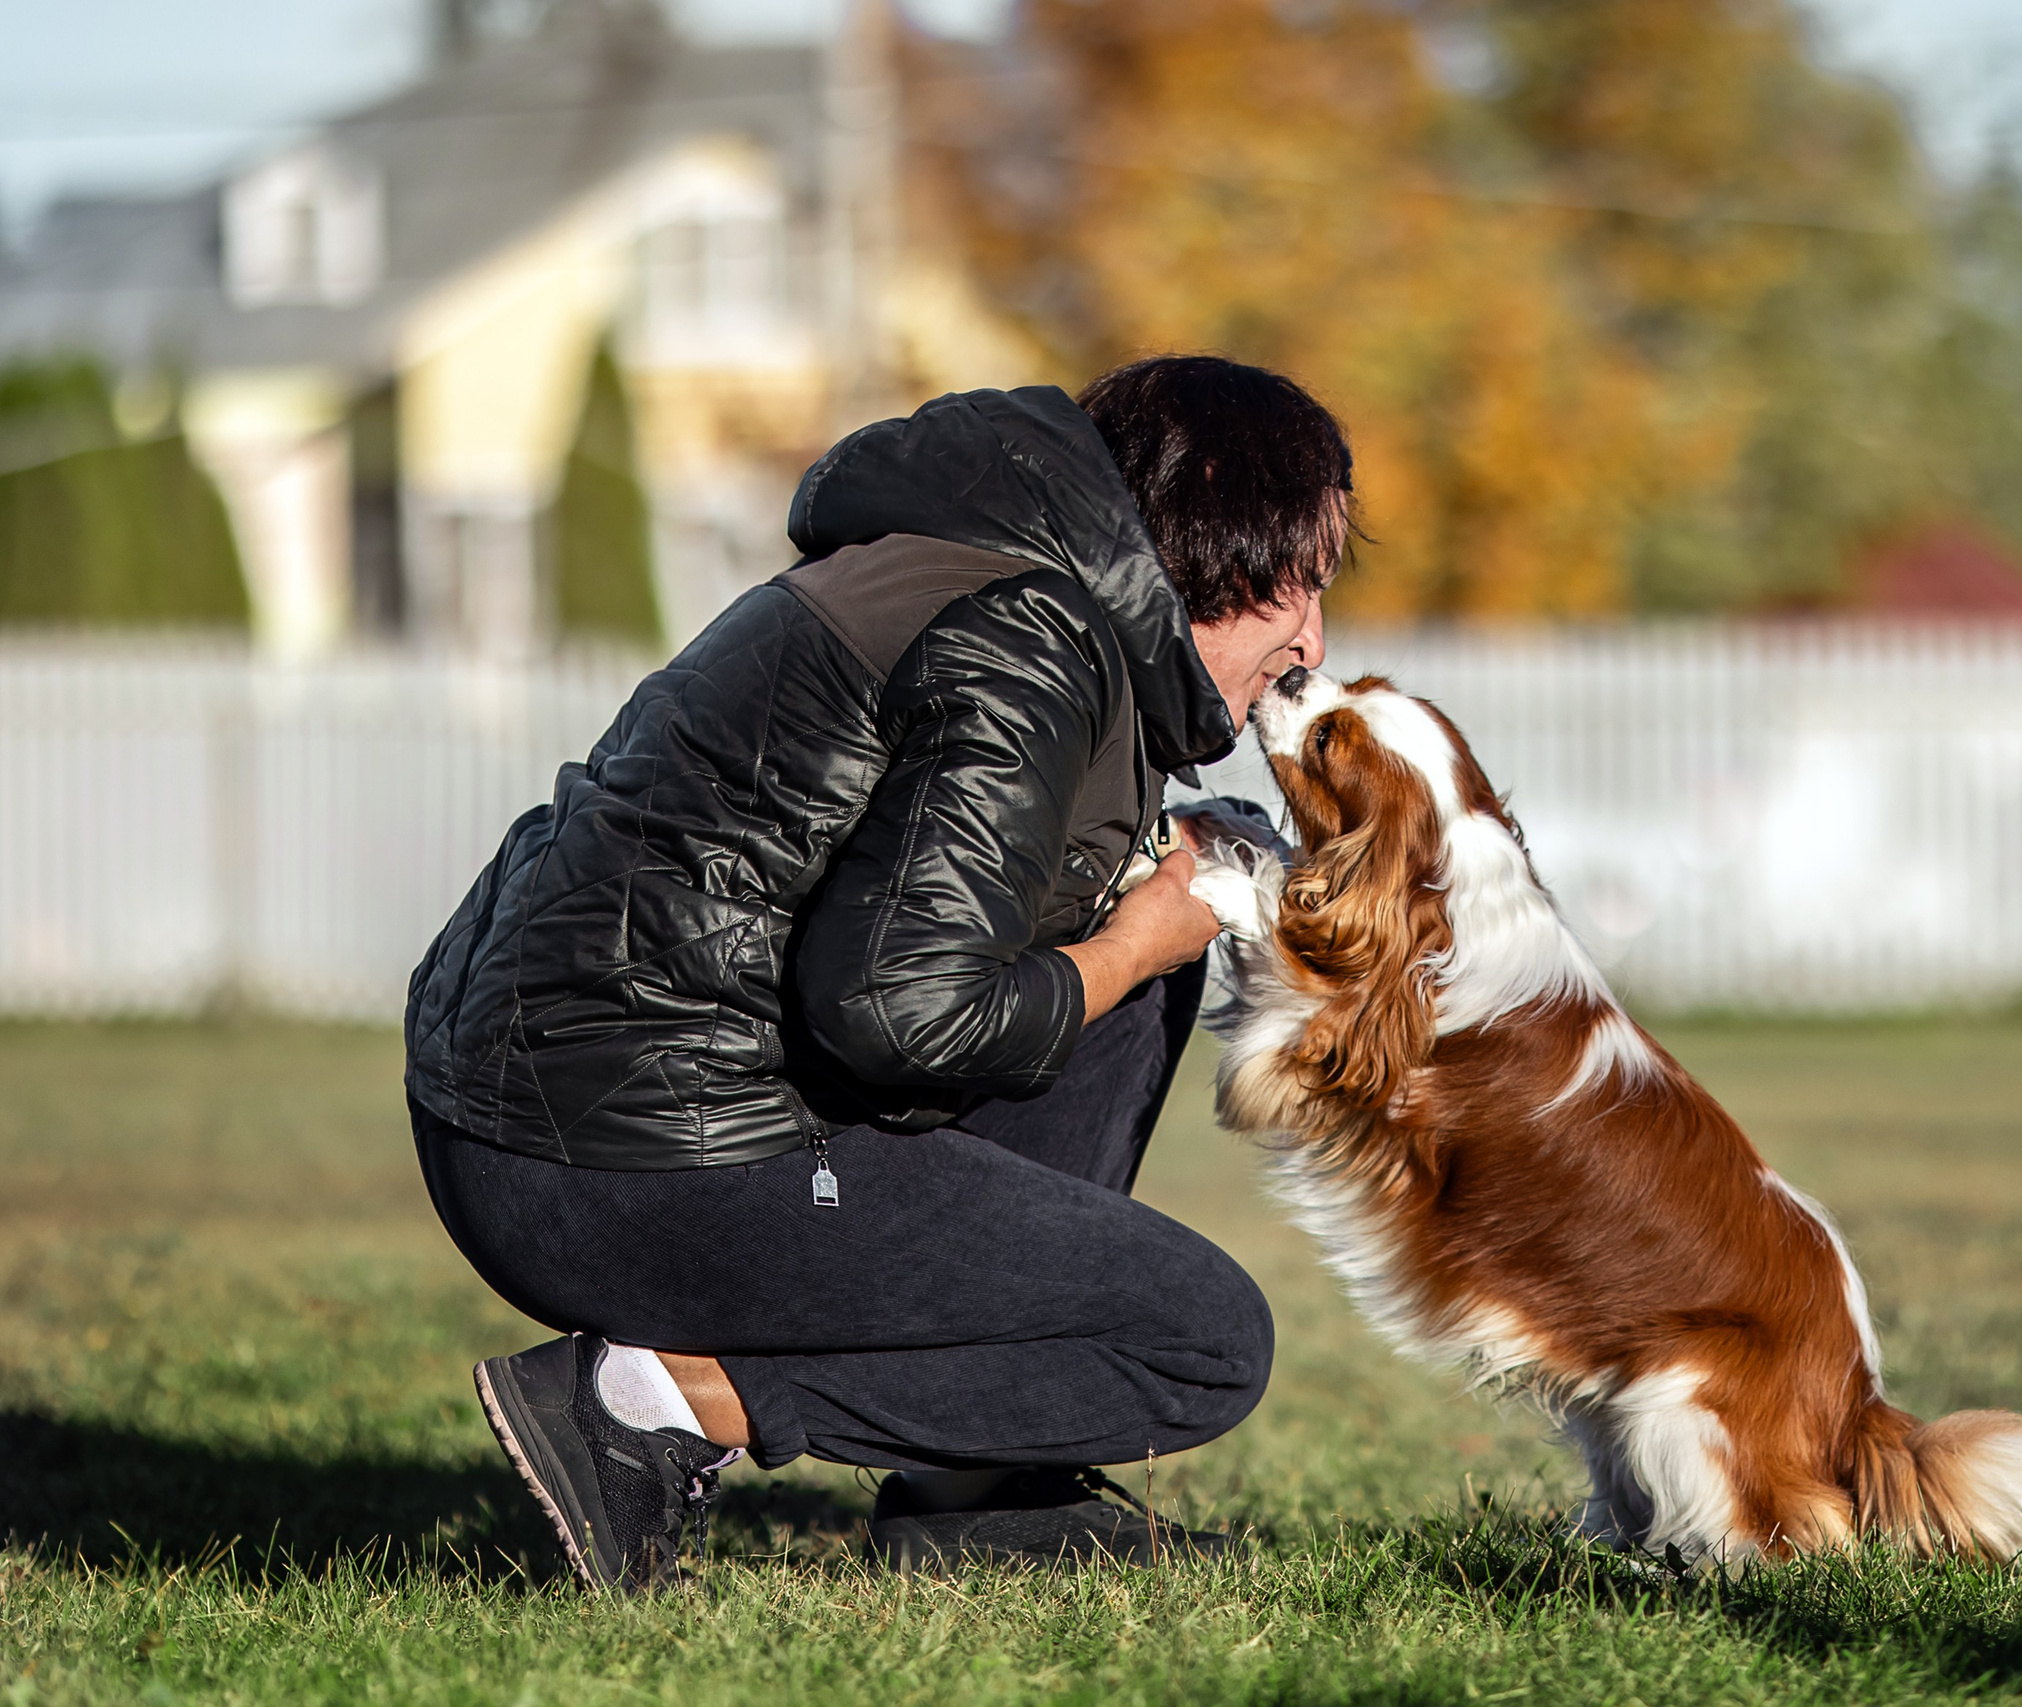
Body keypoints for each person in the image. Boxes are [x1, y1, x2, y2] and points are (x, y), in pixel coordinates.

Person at [404, 356, 1344, 1588]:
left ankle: (983, 1492)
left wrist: (1139, 909)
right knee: (1193, 1340)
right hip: (621, 1162)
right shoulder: (1029, 640)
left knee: (1150, 955)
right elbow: (900, 1014)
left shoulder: (980, 574)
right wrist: (1137, 933)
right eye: (1303, 580)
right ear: (1217, 532)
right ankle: (643, 1403)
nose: (1311, 638)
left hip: (548, 1117)